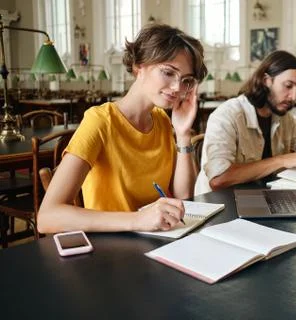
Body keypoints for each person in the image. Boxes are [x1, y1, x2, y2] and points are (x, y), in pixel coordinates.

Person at [37, 24, 207, 233]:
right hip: (111, 250)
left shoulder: (162, 121)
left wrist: (182, 134)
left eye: (186, 80)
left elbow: (184, 197)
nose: (177, 88)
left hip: (154, 241)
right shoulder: (100, 121)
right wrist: (137, 220)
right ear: (139, 67)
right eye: (168, 72)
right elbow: (47, 217)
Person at [195, 50, 296, 195]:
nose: (294, 96)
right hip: (221, 204)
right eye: (288, 86)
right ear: (266, 81)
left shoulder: (284, 118)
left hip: (261, 196)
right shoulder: (227, 114)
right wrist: (281, 161)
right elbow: (218, 179)